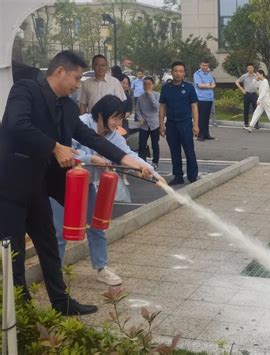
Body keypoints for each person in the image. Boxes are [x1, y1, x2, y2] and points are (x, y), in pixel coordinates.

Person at [0, 50, 151, 316]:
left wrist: (126, 159)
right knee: (15, 256)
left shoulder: (67, 106)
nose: (78, 85)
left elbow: (91, 138)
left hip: (37, 187)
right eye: (76, 78)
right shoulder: (25, 90)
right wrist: (55, 147)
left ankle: (61, 302)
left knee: (48, 245)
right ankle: (20, 313)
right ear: (60, 71)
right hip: (10, 187)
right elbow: (16, 125)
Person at [50, 95, 160, 286]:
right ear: (102, 114)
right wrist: (91, 159)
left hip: (88, 183)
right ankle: (54, 273)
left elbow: (128, 155)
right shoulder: (81, 123)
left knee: (97, 226)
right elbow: (69, 150)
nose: (118, 124)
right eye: (115, 118)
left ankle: (101, 268)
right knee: (60, 231)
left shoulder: (114, 135)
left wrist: (149, 171)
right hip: (64, 183)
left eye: (121, 119)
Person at [159, 61, 199, 185]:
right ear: (172, 72)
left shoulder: (189, 87)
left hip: (185, 124)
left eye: (180, 71)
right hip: (171, 124)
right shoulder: (166, 88)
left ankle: (192, 177)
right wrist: (161, 124)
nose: (178, 73)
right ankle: (178, 176)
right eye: (175, 71)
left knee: (189, 151)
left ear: (184, 73)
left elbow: (194, 106)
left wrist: (196, 124)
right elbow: (162, 107)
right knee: (174, 151)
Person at [136, 77, 160, 169]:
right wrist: (140, 118)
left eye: (149, 84)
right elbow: (137, 110)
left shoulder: (157, 95)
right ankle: (142, 162)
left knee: (155, 144)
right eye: (145, 84)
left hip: (154, 124)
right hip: (144, 125)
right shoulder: (140, 98)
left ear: (153, 85)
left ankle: (155, 162)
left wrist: (150, 95)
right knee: (142, 145)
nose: (146, 86)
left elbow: (156, 107)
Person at [193, 60, 216, 141]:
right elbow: (199, 85)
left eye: (206, 66)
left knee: (206, 117)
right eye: (203, 65)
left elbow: (214, 85)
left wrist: (207, 85)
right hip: (201, 98)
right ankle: (200, 135)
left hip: (209, 98)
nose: (205, 67)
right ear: (200, 65)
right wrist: (208, 85)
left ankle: (206, 134)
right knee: (201, 117)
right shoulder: (197, 74)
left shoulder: (209, 74)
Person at [235, 63, 259, 129]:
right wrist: (242, 89)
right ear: (247, 69)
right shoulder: (244, 76)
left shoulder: (256, 75)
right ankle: (246, 124)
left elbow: (261, 82)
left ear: (253, 68)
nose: (250, 69)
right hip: (247, 94)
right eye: (249, 68)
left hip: (254, 94)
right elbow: (237, 82)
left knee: (256, 110)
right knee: (246, 109)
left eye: (251, 68)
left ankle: (256, 124)